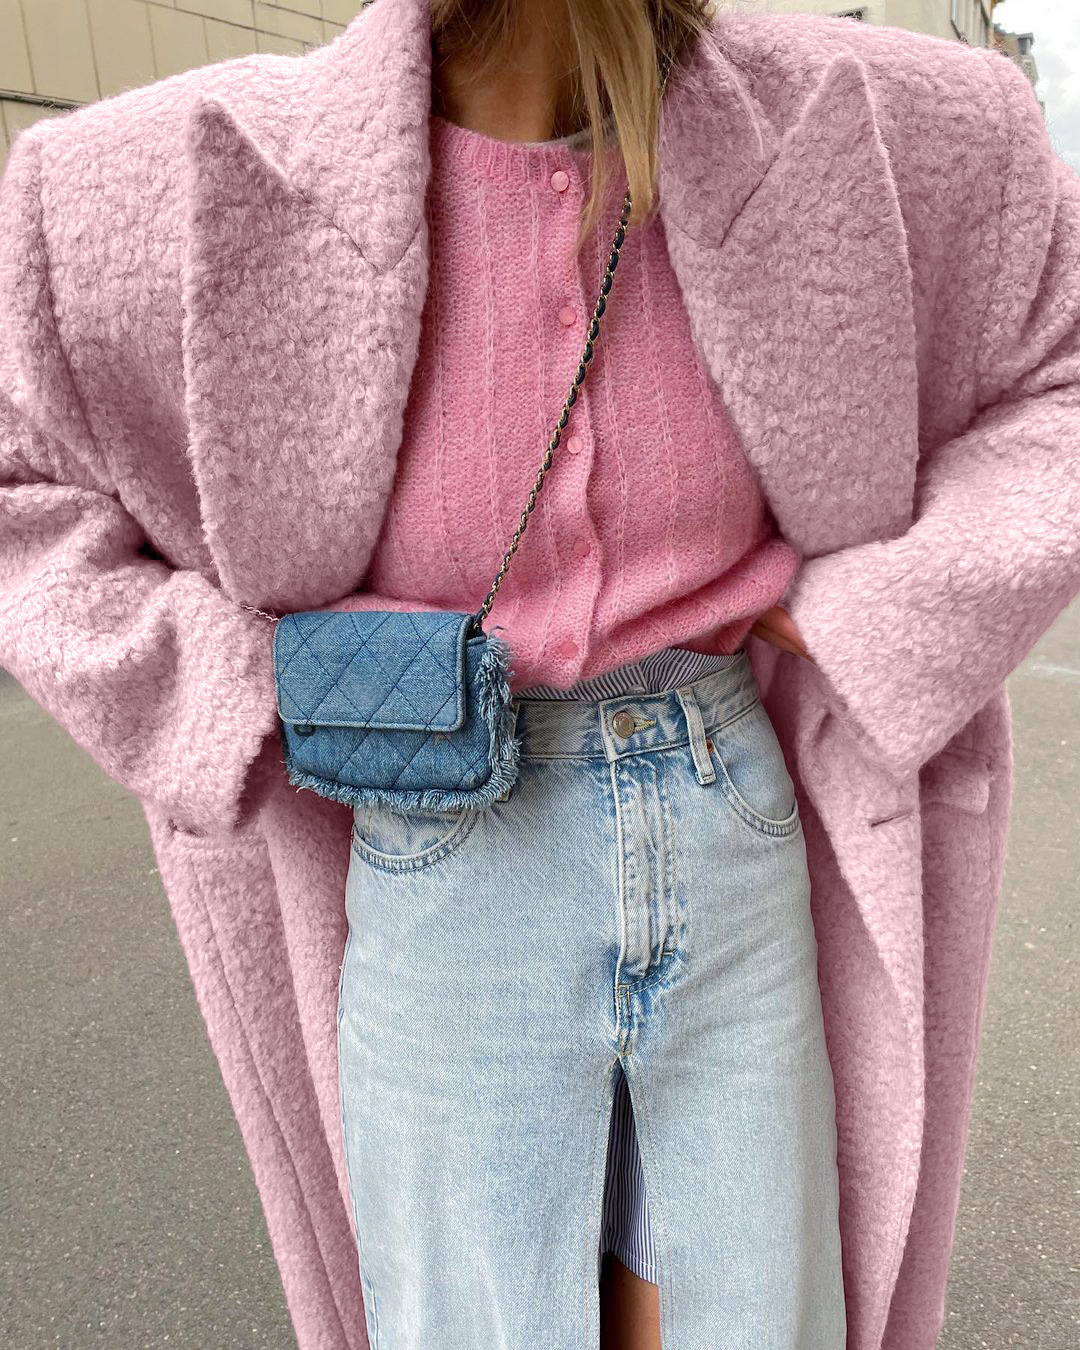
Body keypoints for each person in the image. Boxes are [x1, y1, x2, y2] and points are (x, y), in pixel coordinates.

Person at [3, 0, 1078, 1347]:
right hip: (443, 854)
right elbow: (21, 490)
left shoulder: (887, 125)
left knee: (757, 1316)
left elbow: (1060, 372)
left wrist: (880, 611)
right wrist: (245, 687)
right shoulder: (154, 179)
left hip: (726, 822)